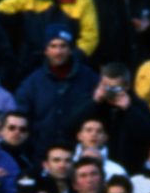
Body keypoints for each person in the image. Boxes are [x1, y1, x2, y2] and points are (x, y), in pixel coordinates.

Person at [14, 24, 98, 163]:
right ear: (46, 50)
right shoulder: (32, 82)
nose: (58, 51)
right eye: (53, 46)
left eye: (63, 46)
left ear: (71, 49)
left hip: (80, 156)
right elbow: (21, 116)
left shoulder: (90, 78)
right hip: (41, 155)